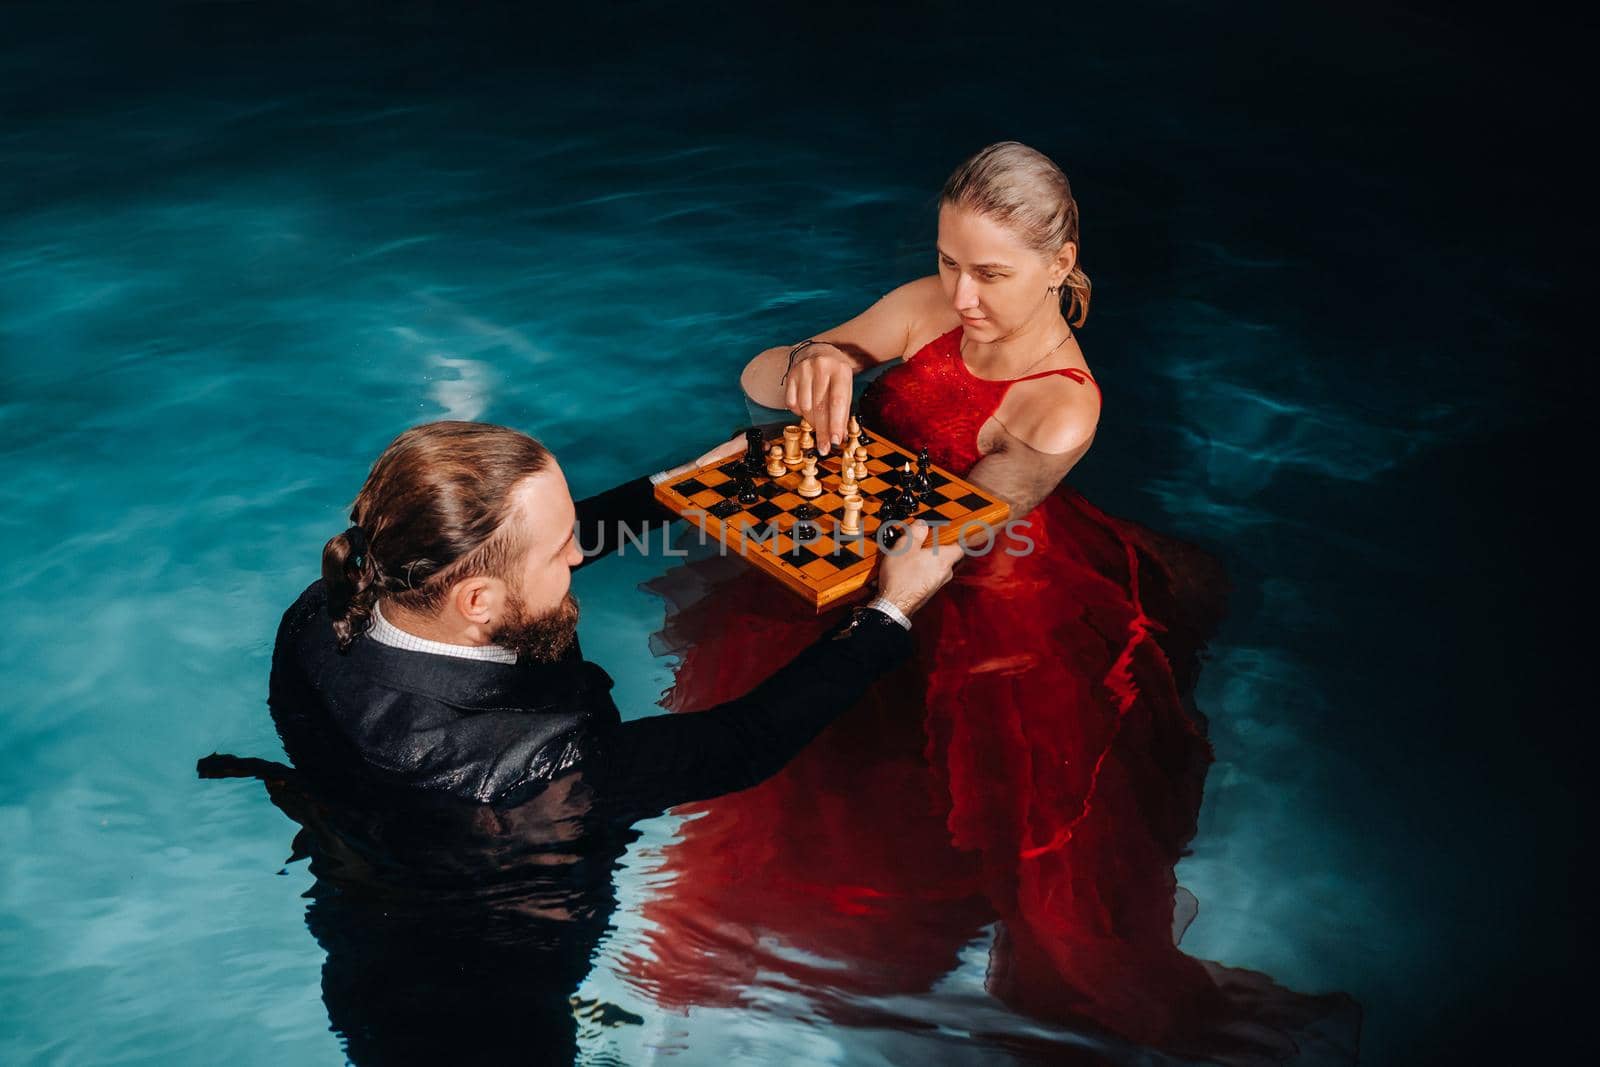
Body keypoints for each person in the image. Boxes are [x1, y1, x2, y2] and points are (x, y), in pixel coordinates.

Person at [634, 143, 1360, 1061]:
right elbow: (760, 374)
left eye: (989, 273)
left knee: (1004, 832)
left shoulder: (1064, 404)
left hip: (983, 586)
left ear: (1060, 266)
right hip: (866, 545)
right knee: (803, 779)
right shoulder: (934, 306)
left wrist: (806, 467)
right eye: (946, 261)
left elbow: (961, 523)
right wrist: (809, 362)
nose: (961, 296)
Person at [266, 419, 960, 811]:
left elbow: (515, 550)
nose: (579, 555)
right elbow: (740, 744)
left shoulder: (325, 607)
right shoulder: (534, 766)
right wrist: (889, 611)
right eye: (561, 550)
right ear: (478, 602)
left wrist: (675, 490)